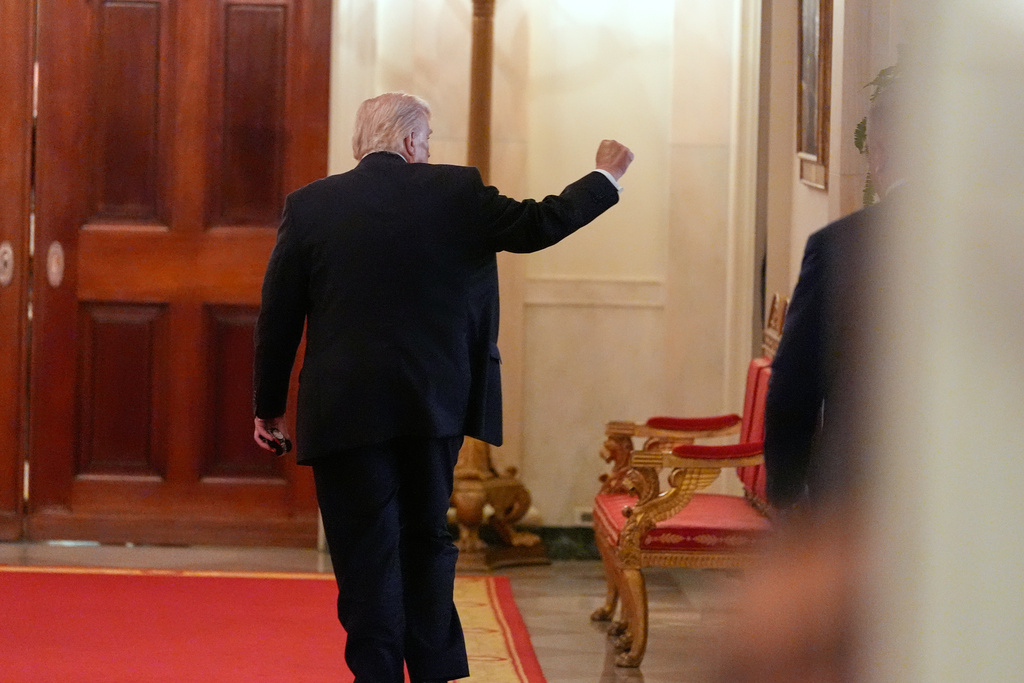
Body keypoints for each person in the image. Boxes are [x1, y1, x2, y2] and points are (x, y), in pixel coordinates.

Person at [252, 92, 634, 682]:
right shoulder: (457, 193)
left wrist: (268, 408)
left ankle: (375, 674)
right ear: (410, 143)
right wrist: (604, 176)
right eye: (427, 139)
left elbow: (279, 317)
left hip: (343, 414)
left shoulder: (311, 207)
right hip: (434, 407)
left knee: (364, 553)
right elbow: (538, 224)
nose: (429, 151)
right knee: (427, 540)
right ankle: (433, 670)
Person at [763, 84, 905, 512]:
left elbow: (795, 385)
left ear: (878, 154)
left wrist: (786, 495)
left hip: (859, 496)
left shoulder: (840, 246)